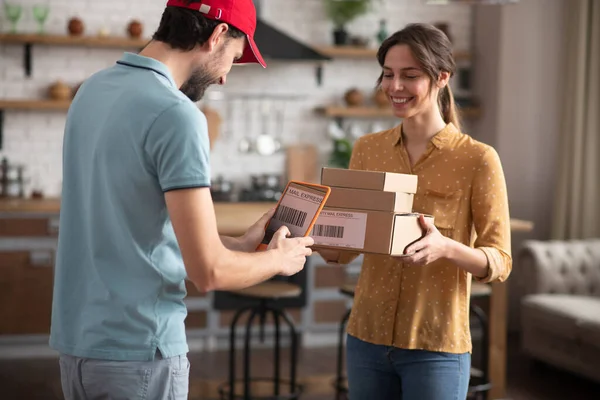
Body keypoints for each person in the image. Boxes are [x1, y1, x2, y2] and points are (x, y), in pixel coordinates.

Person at [49, 0, 313, 399]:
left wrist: (241, 245)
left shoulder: (92, 90)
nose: (224, 78)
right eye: (234, 59)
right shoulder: (177, 114)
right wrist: (279, 260)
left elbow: (137, 234)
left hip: (78, 348)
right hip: (141, 352)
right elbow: (209, 274)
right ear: (217, 35)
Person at [315, 23, 512, 400]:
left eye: (410, 75)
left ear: (442, 77)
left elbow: (500, 261)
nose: (394, 87)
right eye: (388, 75)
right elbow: (347, 249)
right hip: (366, 338)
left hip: (436, 346)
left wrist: (447, 248)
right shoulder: (367, 150)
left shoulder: (478, 159)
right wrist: (317, 233)